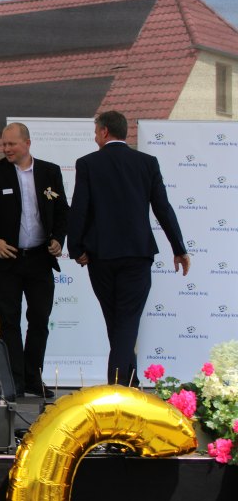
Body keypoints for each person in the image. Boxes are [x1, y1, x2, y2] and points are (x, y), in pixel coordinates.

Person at [67, 110, 189, 387]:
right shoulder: (147, 163)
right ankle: (125, 385)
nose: (95, 137)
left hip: (101, 256)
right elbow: (163, 208)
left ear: (104, 132)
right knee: (124, 323)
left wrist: (76, 248)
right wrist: (179, 248)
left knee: (117, 322)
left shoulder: (88, 163)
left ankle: (120, 387)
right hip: (137, 255)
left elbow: (79, 209)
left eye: (96, 132)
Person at [0, 122, 68, 398]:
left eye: (11, 144)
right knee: (9, 321)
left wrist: (58, 239)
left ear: (27, 143)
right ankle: (15, 381)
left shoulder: (50, 171)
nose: (6, 149)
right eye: (3, 144)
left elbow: (63, 210)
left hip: (39, 259)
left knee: (39, 319)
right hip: (7, 260)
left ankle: (34, 377)